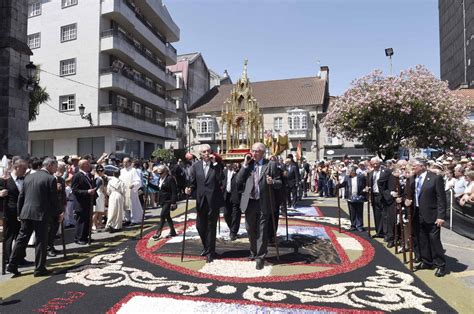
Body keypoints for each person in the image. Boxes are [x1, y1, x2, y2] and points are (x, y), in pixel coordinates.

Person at [7, 158, 61, 277]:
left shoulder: (29, 177)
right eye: (55, 166)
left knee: (22, 239)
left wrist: (19, 213)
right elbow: (53, 199)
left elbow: (21, 197)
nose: (56, 169)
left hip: (26, 213)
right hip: (41, 214)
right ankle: (39, 268)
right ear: (50, 165)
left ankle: (12, 264)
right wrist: (58, 213)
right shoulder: (50, 179)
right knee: (41, 240)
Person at [236, 142, 282, 270]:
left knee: (262, 231)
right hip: (250, 201)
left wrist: (272, 182)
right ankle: (253, 251)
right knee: (250, 228)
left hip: (264, 202)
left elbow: (279, 183)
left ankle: (260, 257)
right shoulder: (248, 165)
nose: (254, 154)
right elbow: (238, 180)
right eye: (253, 151)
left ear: (262, 152)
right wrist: (245, 165)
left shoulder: (270, 165)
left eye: (257, 151)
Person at [405, 158, 447, 277]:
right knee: (421, 238)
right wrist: (406, 200)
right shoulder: (412, 178)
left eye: (415, 166)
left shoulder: (435, 178)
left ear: (423, 166)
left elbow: (441, 198)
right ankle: (427, 261)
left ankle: (440, 264)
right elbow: (407, 194)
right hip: (416, 213)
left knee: (434, 240)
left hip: (432, 214)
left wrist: (441, 216)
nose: (413, 168)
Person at [185, 144, 225, 263]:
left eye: (208, 151)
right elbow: (193, 183)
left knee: (211, 227)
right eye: (204, 152)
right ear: (200, 154)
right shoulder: (196, 166)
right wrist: (189, 189)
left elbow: (221, 179)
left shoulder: (217, 165)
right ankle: (206, 246)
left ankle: (210, 252)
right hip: (201, 200)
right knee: (200, 226)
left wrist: (216, 164)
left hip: (213, 200)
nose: (206, 153)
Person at [0, 159, 29, 266]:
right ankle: (8, 258)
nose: (25, 171)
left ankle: (20, 257)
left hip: (23, 212)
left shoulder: (25, 179)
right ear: (16, 168)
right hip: (9, 213)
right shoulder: (4, 180)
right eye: (23, 168)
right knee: (9, 236)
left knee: (21, 237)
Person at [71, 159, 96, 245]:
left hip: (88, 202)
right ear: (83, 166)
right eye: (87, 164)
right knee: (81, 221)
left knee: (87, 220)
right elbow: (74, 190)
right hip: (80, 202)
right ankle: (78, 238)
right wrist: (87, 192)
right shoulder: (77, 176)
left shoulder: (88, 175)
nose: (89, 165)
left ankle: (85, 236)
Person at [338, 166, 367, 232]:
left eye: (349, 171)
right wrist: (338, 185)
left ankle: (359, 226)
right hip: (350, 197)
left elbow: (366, 184)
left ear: (353, 171)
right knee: (352, 212)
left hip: (359, 196)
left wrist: (365, 189)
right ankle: (353, 225)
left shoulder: (361, 177)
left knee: (359, 212)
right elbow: (343, 185)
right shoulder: (347, 177)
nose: (348, 173)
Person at [152, 165, 178, 239]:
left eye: (161, 173)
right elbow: (159, 188)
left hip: (168, 200)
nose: (159, 174)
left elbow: (174, 191)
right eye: (158, 173)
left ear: (165, 172)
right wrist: (149, 184)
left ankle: (158, 232)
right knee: (167, 216)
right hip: (162, 200)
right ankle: (173, 231)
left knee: (162, 215)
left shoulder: (170, 179)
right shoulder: (160, 178)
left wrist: (173, 202)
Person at [368, 157, 387, 239]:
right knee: (377, 214)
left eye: (376, 163)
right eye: (373, 164)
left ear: (379, 163)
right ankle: (378, 232)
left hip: (382, 195)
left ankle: (385, 233)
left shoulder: (384, 171)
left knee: (384, 215)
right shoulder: (371, 173)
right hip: (374, 195)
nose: (375, 165)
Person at [120, 158, 143, 225]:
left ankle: (134, 219)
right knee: (125, 205)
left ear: (130, 163)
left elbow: (138, 181)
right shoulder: (122, 171)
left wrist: (133, 185)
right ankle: (127, 219)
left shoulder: (133, 170)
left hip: (131, 191)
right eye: (124, 162)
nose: (125, 164)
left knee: (132, 205)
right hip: (124, 191)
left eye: (126, 162)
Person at [222, 162, 242, 241]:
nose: (230, 165)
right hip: (226, 195)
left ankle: (233, 232)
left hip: (236, 195)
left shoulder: (239, 172)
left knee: (235, 215)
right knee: (226, 214)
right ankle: (232, 228)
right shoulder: (224, 172)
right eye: (229, 163)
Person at [92, 164, 106, 230]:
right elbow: (100, 188)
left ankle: (99, 224)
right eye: (103, 171)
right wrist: (105, 194)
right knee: (96, 211)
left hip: (99, 195)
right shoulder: (99, 179)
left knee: (99, 211)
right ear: (100, 172)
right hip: (99, 194)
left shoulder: (96, 177)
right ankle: (94, 224)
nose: (103, 173)